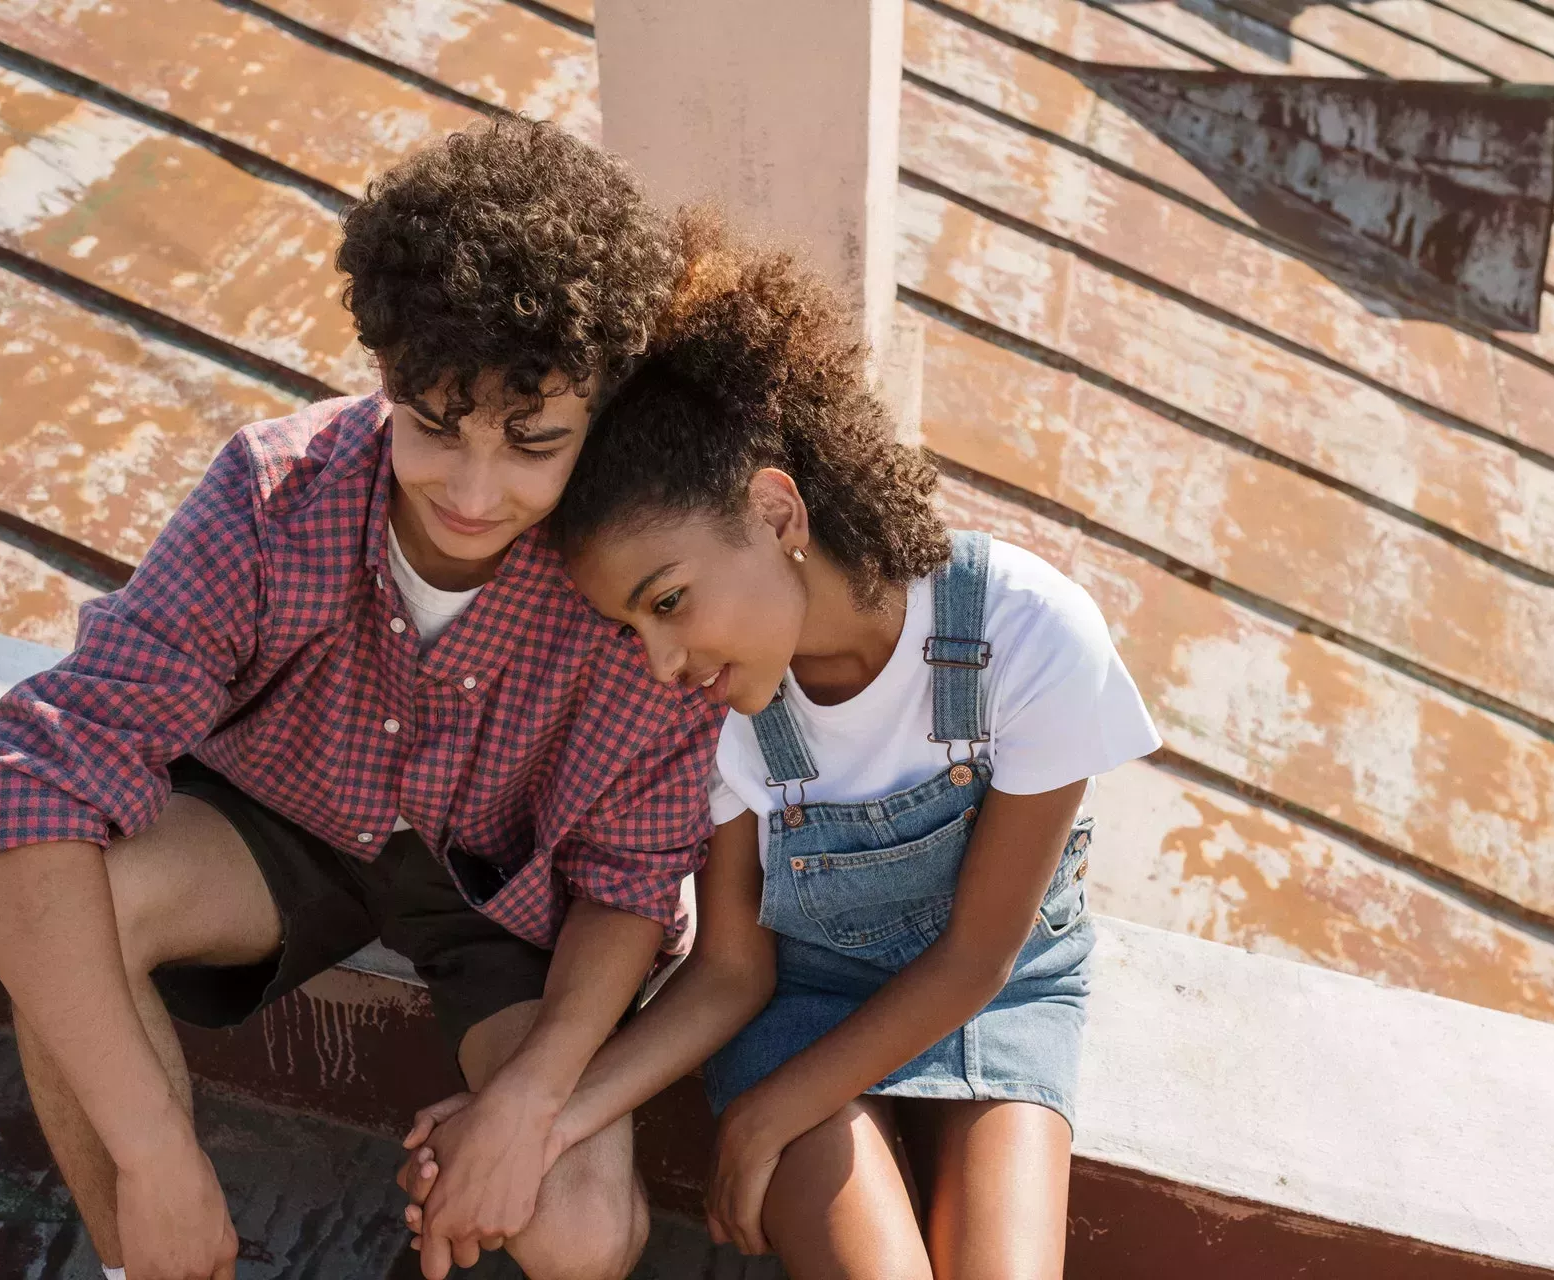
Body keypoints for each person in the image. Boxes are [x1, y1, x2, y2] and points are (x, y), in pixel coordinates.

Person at [0, 118, 718, 1280]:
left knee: (583, 1227)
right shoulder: (275, 492)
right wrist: (157, 1154)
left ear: (599, 410)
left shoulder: (640, 569)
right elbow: (28, 787)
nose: (471, 486)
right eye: (432, 422)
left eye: (533, 442)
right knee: (74, 914)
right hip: (276, 822)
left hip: (506, 901)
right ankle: (141, 1261)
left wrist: (530, 1102)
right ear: (386, 373)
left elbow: (627, 882)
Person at [403, 220, 1161, 1278]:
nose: (662, 658)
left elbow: (981, 956)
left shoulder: (1027, 634)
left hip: (1001, 995)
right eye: (634, 626)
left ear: (774, 505)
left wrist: (768, 1120)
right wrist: (535, 1121)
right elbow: (728, 970)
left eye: (670, 600)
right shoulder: (711, 715)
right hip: (799, 1006)